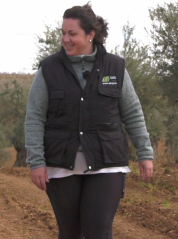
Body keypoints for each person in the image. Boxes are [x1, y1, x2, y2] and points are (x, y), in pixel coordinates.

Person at [25, 3, 154, 239]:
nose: (66, 39)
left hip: (107, 162)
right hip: (61, 166)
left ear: (90, 34)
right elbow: (34, 117)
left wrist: (145, 152)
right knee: (71, 232)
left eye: (72, 33)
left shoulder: (115, 67)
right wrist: (36, 161)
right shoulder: (48, 69)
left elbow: (132, 112)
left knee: (98, 230)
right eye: (63, 33)